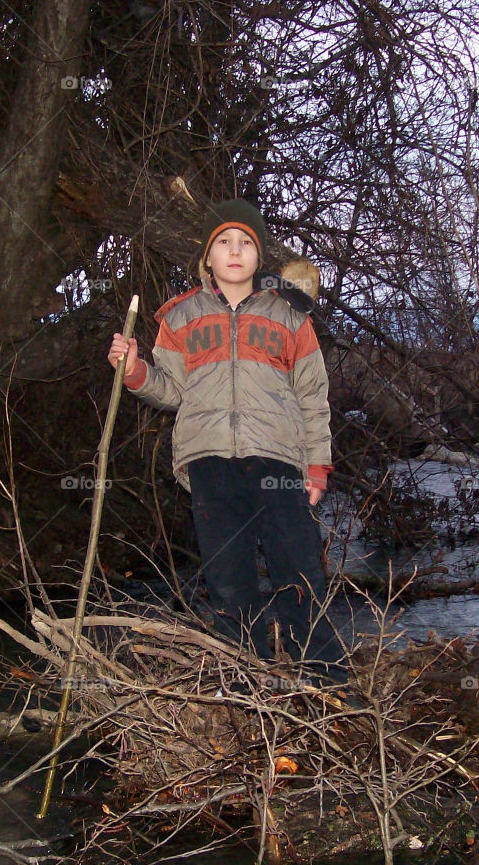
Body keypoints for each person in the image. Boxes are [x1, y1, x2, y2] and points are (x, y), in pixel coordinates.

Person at [107, 198, 341, 668]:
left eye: (245, 244)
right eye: (223, 242)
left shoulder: (291, 316)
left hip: (278, 460)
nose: (234, 252)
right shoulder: (179, 317)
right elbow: (172, 391)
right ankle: (244, 682)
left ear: (259, 257)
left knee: (298, 571)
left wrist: (317, 466)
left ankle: (325, 679)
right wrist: (134, 372)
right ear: (207, 257)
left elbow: (313, 397)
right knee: (228, 581)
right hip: (209, 462)